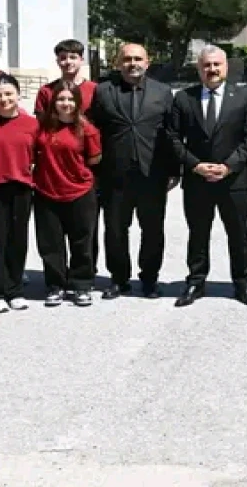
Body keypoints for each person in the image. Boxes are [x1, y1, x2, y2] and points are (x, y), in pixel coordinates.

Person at [165, 45, 247, 307]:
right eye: (206, 65)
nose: (212, 69)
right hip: (197, 180)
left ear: (226, 67)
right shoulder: (184, 98)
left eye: (217, 64)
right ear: (199, 68)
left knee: (238, 233)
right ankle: (196, 281)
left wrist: (229, 166)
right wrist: (195, 165)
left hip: (234, 180)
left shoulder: (243, 96)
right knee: (198, 233)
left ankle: (243, 284)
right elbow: (172, 137)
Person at [88, 43, 176, 300]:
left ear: (148, 62)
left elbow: (171, 133)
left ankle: (149, 279)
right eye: (126, 59)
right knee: (115, 229)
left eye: (138, 58)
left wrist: (174, 169)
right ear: (118, 63)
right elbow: (94, 131)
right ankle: (119, 279)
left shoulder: (163, 92)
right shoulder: (104, 91)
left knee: (152, 229)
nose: (132, 63)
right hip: (114, 174)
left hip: (153, 173)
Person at [33, 82, 102, 307]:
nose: (66, 104)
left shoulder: (87, 129)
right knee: (50, 243)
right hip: (46, 191)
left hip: (79, 192)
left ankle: (81, 284)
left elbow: (94, 159)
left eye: (70, 100)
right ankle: (55, 285)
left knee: (82, 241)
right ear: (54, 102)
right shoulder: (42, 127)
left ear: (78, 103)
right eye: (61, 99)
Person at [0, 74, 38, 312]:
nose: (3, 99)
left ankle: (14, 290)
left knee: (17, 241)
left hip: (22, 188)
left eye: (8, 94)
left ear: (18, 95)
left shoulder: (31, 124)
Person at [34, 39, 96, 116]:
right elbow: (41, 122)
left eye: (73, 57)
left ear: (81, 60)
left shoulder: (95, 89)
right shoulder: (46, 91)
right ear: (57, 61)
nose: (68, 62)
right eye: (63, 58)